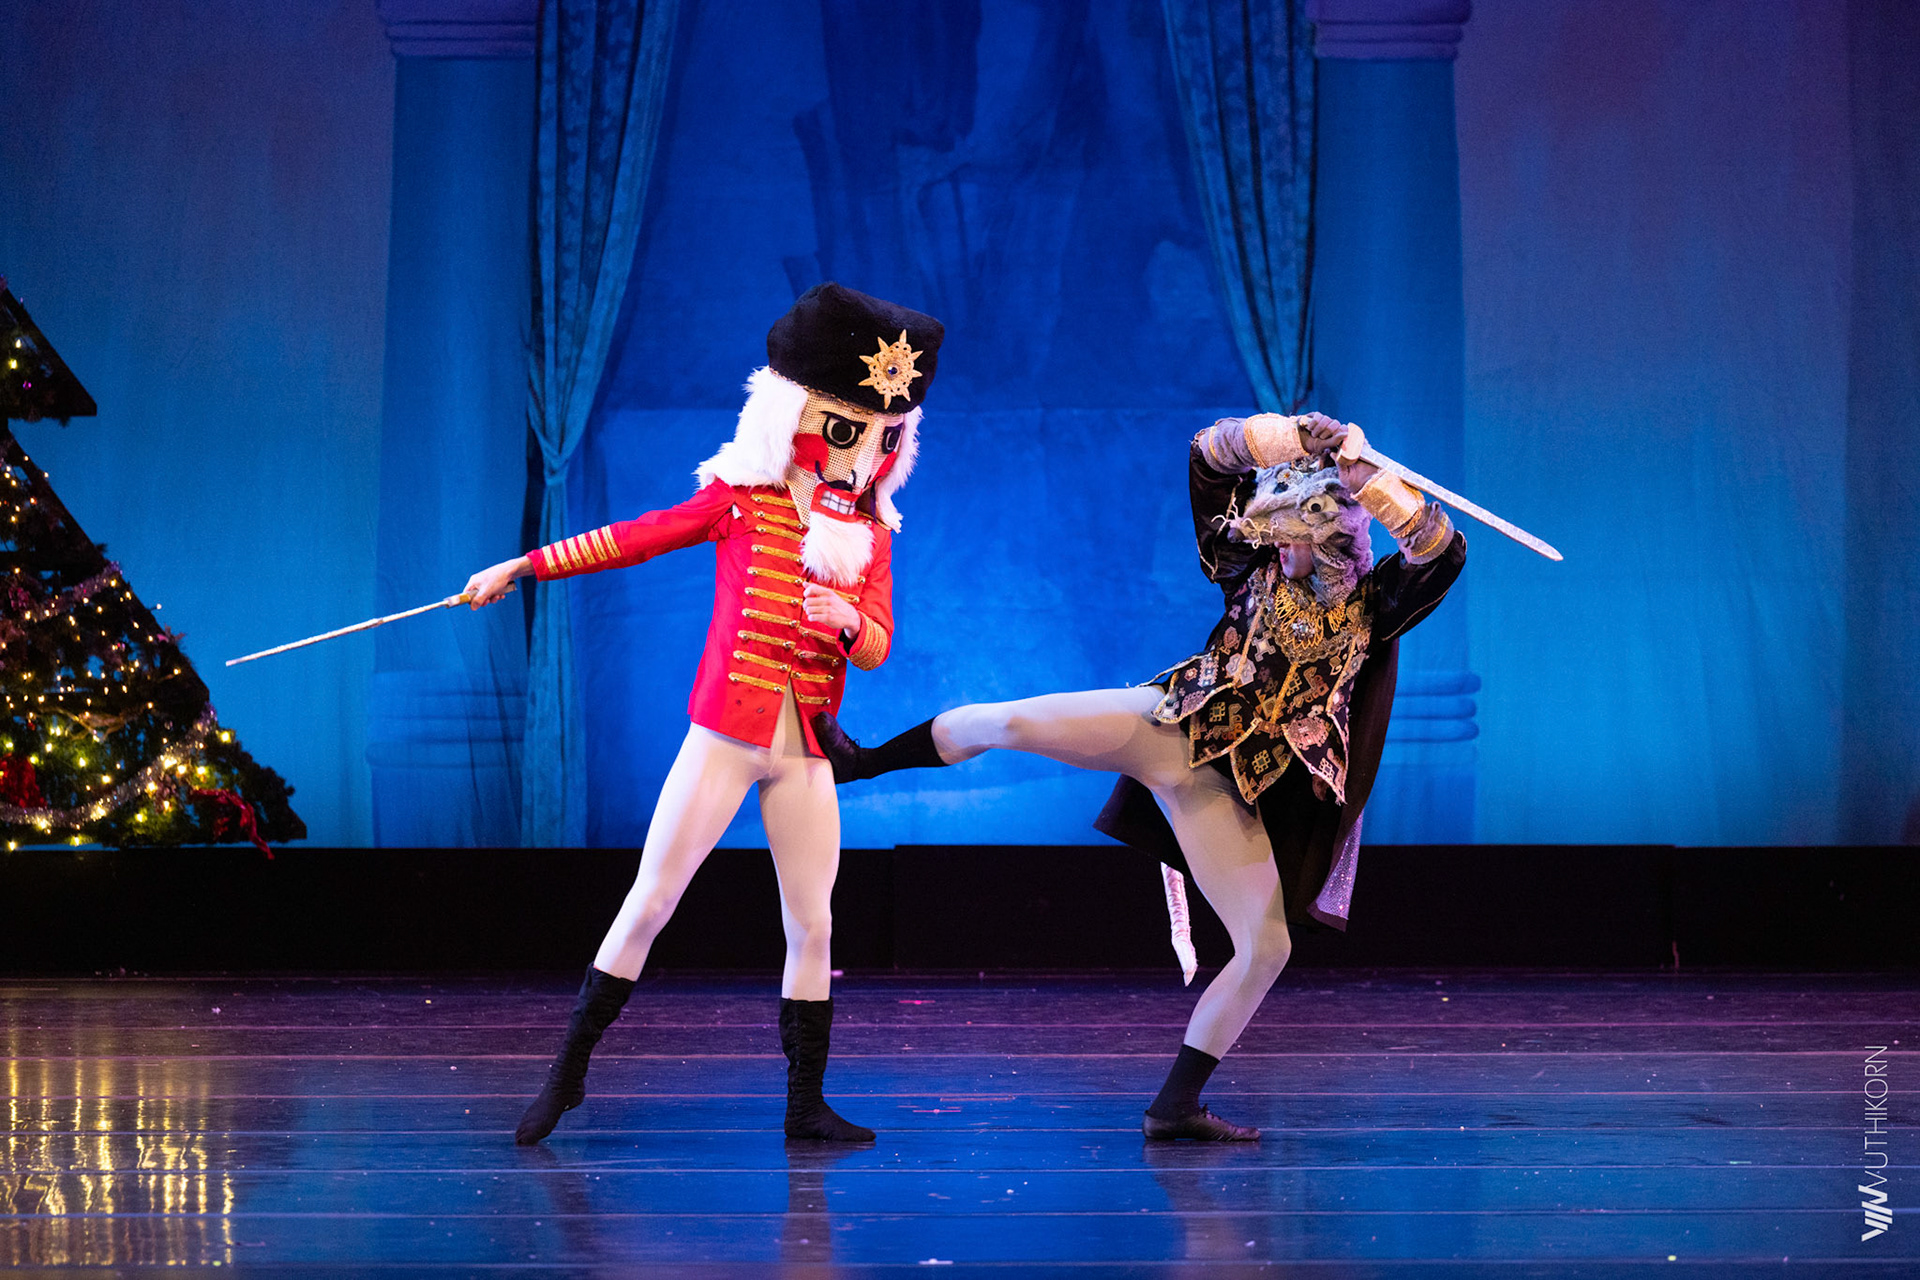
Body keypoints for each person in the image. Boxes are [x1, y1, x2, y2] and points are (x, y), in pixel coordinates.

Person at [813, 411, 1463, 1140]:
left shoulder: (1374, 608)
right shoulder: (1248, 565)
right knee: (1011, 722)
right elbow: (1207, 461)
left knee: (1267, 947)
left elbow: (1441, 553)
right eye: (1274, 534)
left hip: (1230, 788)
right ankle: (862, 762)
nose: (1278, 546)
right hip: (1169, 729)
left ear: (1329, 539)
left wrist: (1370, 483)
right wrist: (1289, 437)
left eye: (1293, 537)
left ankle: (1174, 1106)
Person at [465, 283, 943, 1145]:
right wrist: (525, 566)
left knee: (814, 922)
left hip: (808, 749)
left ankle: (804, 1104)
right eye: (849, 429)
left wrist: (848, 621)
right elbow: (636, 537)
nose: (862, 454)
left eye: (882, 437)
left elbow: (878, 644)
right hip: (727, 733)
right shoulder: (741, 499)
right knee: (652, 900)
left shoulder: (869, 535)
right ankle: (567, 1077)